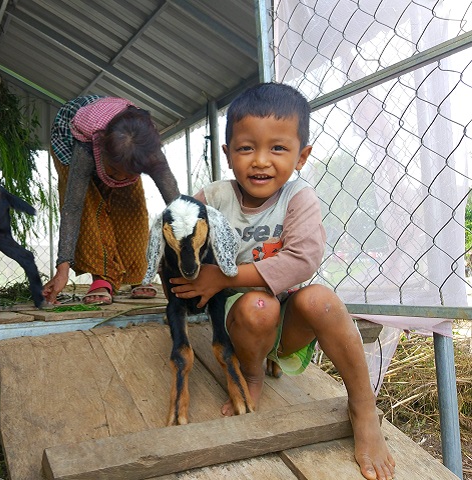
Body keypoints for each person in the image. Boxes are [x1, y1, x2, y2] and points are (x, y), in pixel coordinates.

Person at [169, 83, 396, 480]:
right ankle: (252, 373)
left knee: (322, 301)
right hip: (242, 322)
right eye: (245, 148)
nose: (260, 161)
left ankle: (363, 407)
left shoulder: (298, 197)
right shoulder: (214, 197)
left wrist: (221, 276)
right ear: (227, 153)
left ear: (301, 156)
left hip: (289, 323)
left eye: (277, 148)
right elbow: (181, 233)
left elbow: (302, 259)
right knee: (259, 306)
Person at [43, 95, 180, 305]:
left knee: (132, 204)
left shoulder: (148, 152)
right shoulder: (87, 148)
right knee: (89, 203)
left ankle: (139, 273)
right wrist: (62, 269)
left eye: (128, 174)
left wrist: (186, 258)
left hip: (122, 149)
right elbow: (72, 207)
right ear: (102, 152)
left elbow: (179, 207)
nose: (119, 179)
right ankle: (102, 277)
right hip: (71, 135)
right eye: (115, 172)